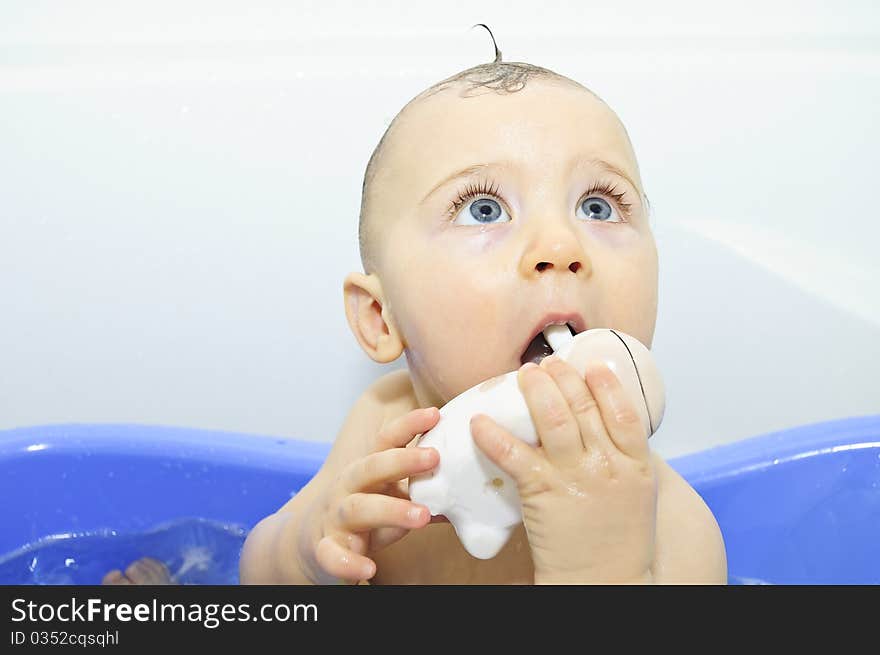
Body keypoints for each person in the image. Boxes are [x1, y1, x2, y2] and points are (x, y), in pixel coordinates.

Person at [234, 50, 728, 585]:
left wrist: (599, 568)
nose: (561, 246)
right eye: (484, 210)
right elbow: (260, 579)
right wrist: (308, 558)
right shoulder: (386, 426)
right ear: (381, 317)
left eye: (598, 206)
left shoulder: (671, 528)